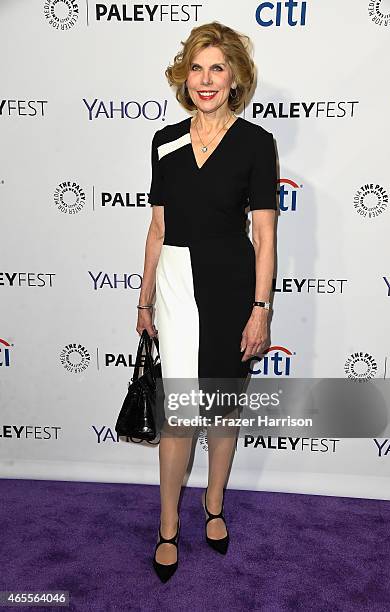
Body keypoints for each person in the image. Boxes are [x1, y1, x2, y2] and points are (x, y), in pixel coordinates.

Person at [136, 21, 277, 582]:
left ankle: (213, 505)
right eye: (197, 67)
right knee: (178, 418)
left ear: (236, 77)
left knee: (221, 411)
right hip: (174, 284)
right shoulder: (165, 141)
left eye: (218, 68)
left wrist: (260, 308)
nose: (206, 79)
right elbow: (157, 228)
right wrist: (143, 298)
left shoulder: (256, 143)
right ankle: (167, 525)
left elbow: (265, 237)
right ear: (184, 75)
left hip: (231, 288)